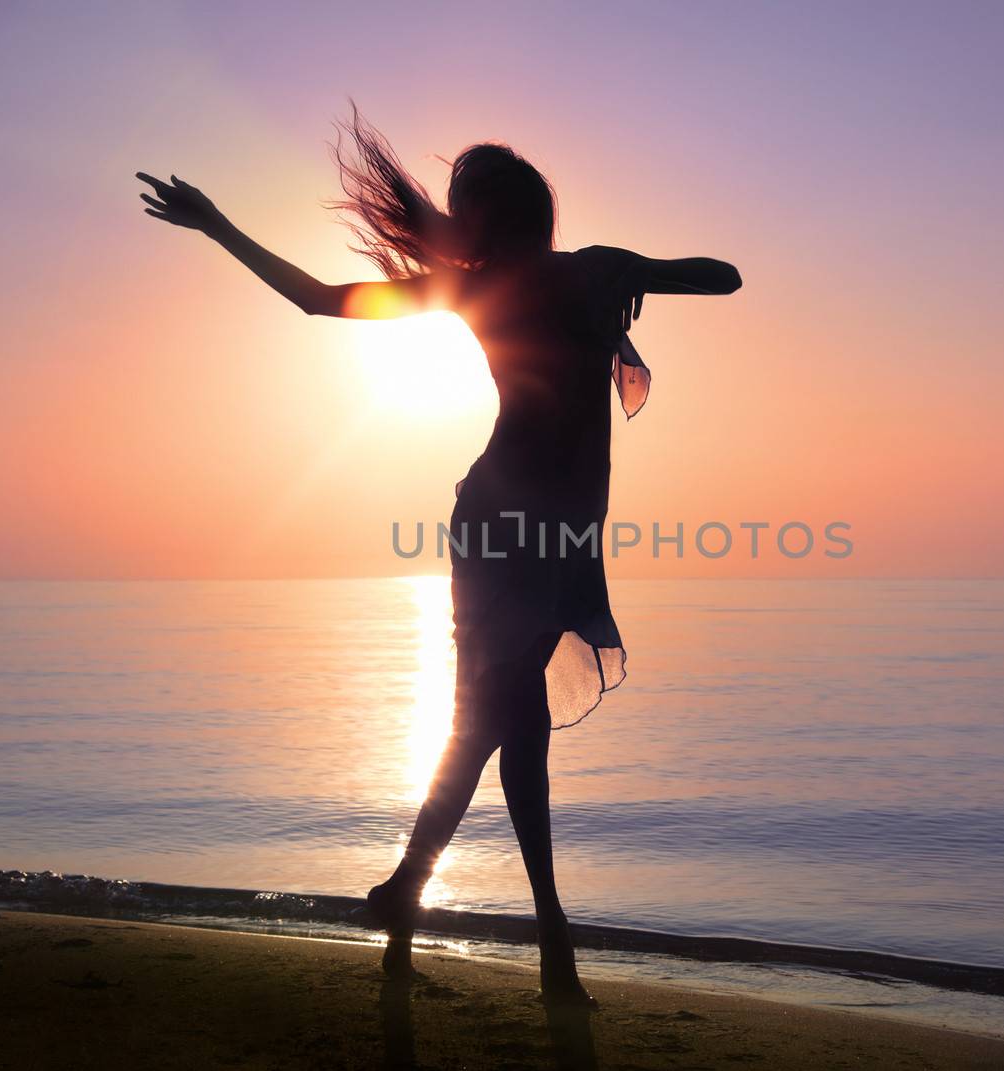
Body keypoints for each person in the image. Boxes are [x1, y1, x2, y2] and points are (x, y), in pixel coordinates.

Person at [136, 107, 740, 1006]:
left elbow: (722, 276)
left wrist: (640, 278)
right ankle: (512, 935)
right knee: (500, 723)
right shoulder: (558, 277)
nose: (456, 220)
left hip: (552, 535)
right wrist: (637, 276)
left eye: (465, 204)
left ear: (492, 213)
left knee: (517, 733)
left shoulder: (552, 278)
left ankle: (417, 915)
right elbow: (320, 300)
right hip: (505, 529)